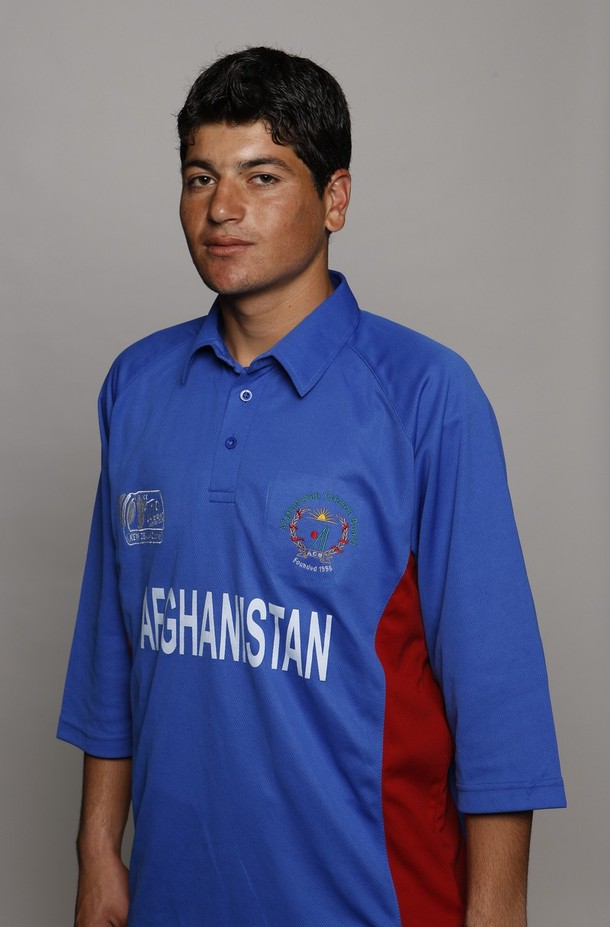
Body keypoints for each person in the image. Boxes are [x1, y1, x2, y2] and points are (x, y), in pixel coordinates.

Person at [58, 46, 566, 927]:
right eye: (200, 177)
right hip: (174, 895)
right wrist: (98, 849)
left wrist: (498, 912)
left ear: (335, 198)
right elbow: (114, 645)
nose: (221, 208)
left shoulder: (426, 394)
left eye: (262, 176)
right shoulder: (135, 385)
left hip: (368, 898)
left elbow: (497, 700)